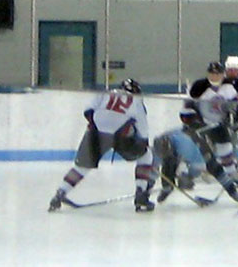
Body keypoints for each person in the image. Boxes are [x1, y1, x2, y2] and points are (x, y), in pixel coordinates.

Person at [48, 79, 157, 212]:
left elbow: (88, 111)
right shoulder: (136, 101)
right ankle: (141, 193)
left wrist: (95, 127)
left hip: (95, 133)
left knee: (82, 167)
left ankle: (60, 193)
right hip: (121, 136)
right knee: (146, 156)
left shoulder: (105, 93)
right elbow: (143, 130)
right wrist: (142, 145)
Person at [184, 61, 238, 206]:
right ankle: (189, 174)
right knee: (198, 152)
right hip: (201, 125)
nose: (215, 76)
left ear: (222, 74)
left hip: (218, 124)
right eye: (212, 73)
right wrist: (192, 121)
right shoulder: (199, 87)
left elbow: (236, 107)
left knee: (225, 147)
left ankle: (231, 173)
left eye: (218, 73)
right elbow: (187, 107)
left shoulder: (228, 87)